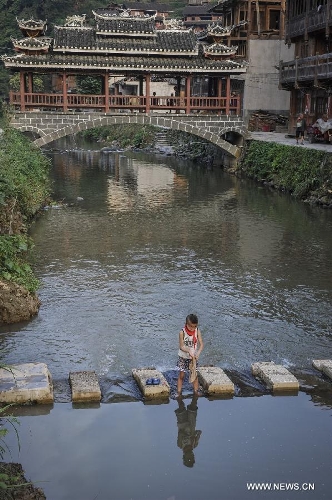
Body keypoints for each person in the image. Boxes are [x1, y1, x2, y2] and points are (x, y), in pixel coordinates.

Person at [176, 313, 204, 397]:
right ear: (186, 324)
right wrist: (189, 350)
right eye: (191, 326)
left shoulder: (197, 331)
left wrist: (198, 352)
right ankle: (179, 392)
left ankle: (196, 391)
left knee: (194, 375)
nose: (192, 329)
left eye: (194, 326)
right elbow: (181, 346)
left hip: (193, 358)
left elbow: (201, 344)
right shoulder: (182, 332)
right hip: (183, 357)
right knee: (181, 375)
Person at [175, 394, 202, 467]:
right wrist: (195, 435)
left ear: (184, 456)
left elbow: (180, 433)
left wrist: (188, 436)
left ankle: (179, 396)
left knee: (181, 406)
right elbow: (199, 432)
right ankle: (195, 395)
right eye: (192, 456)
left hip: (182, 423)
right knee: (193, 406)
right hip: (191, 423)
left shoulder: (180, 445)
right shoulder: (194, 444)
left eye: (189, 457)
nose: (191, 454)